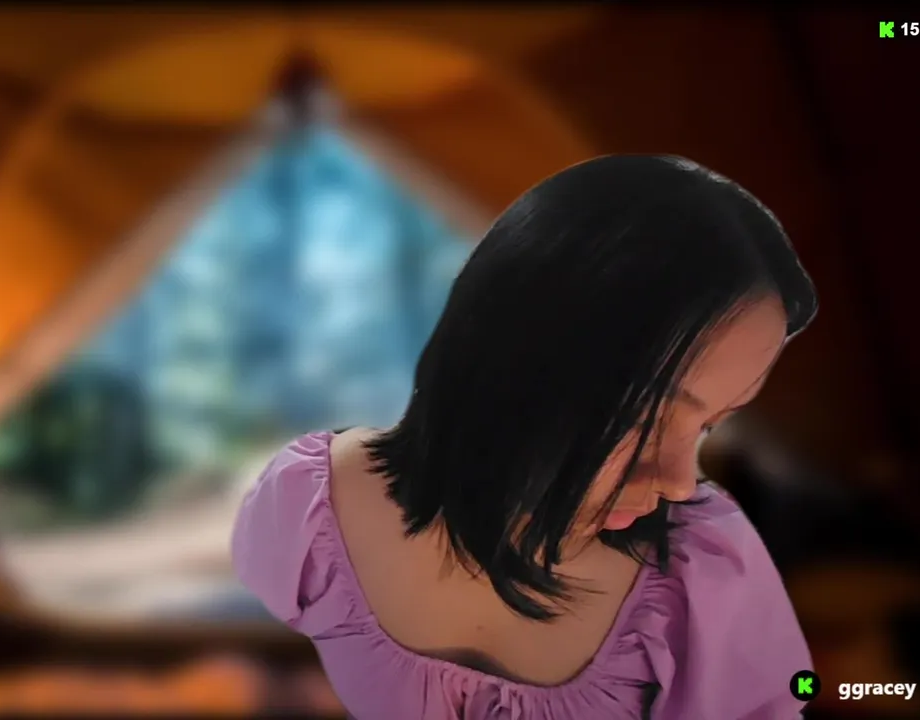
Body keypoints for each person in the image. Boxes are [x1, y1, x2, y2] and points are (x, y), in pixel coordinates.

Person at [231, 155, 819, 719]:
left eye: (709, 424)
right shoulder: (307, 506)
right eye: (646, 419)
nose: (680, 482)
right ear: (512, 359)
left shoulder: (705, 572)